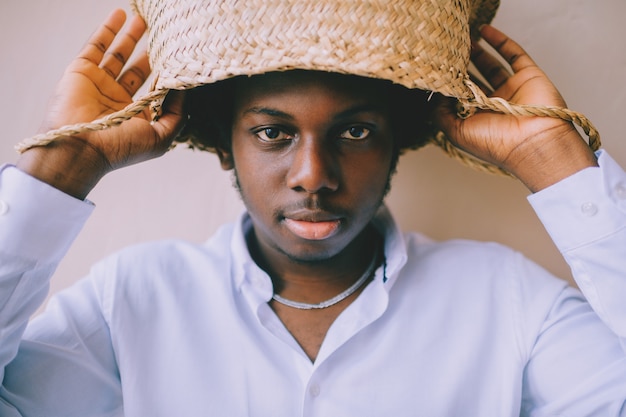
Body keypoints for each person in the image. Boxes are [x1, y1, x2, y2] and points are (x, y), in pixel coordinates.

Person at [0, 4, 625, 417]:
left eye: (354, 133)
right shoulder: (130, 299)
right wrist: (61, 168)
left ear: (397, 143)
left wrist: (557, 158)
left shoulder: (507, 299)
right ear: (225, 147)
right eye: (274, 133)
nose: (313, 177)